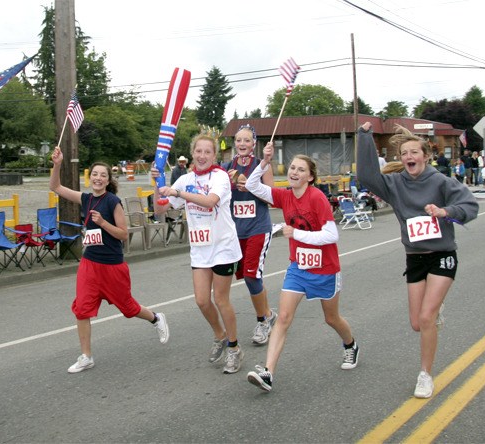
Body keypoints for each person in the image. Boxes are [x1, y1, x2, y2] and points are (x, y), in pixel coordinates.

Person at [357, 122, 479, 399]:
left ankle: (425, 375)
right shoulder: (394, 184)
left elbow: (470, 208)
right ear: (401, 159)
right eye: (404, 153)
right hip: (415, 258)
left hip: (442, 256)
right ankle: (434, 313)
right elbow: (366, 176)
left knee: (426, 318)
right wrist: (363, 137)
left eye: (414, 152)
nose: (409, 156)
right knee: (417, 323)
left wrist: (444, 211)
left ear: (425, 156)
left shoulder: (442, 182)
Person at [244, 143, 359, 392]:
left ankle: (350, 345)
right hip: (298, 268)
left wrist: (296, 233)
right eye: (292, 168)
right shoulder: (284, 195)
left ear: (310, 176)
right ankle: (268, 373)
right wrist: (263, 162)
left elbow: (331, 235)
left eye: (300, 169)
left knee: (331, 318)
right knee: (283, 318)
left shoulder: (316, 197)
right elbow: (253, 186)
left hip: (325, 269)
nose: (294, 172)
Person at [49, 147, 169, 374]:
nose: (98, 178)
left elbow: (124, 234)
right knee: (82, 309)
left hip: (112, 265)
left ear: (108, 180)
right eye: (95, 174)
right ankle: (86, 356)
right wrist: (57, 164)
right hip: (89, 264)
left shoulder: (113, 201)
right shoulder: (85, 199)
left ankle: (155, 318)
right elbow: (55, 187)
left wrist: (103, 223)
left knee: (128, 308)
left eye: (103, 175)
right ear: (90, 177)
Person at [152, 135, 244, 374]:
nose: (202, 156)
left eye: (207, 152)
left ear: (214, 155)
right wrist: (157, 183)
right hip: (201, 249)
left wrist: (179, 194)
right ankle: (220, 336)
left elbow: (210, 202)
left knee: (221, 300)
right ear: (192, 154)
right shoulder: (185, 179)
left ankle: (234, 348)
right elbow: (160, 208)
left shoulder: (221, 177)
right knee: (202, 300)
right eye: (198, 151)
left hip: (223, 248)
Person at [222, 124, 278, 345]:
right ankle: (269, 315)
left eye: (247, 140)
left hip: (258, 228)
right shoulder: (227, 167)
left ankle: (262, 321)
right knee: (248, 276)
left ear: (254, 143)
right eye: (239, 140)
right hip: (236, 231)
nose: (242, 144)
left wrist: (252, 186)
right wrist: (231, 182)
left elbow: (273, 198)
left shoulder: (262, 166)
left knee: (252, 275)